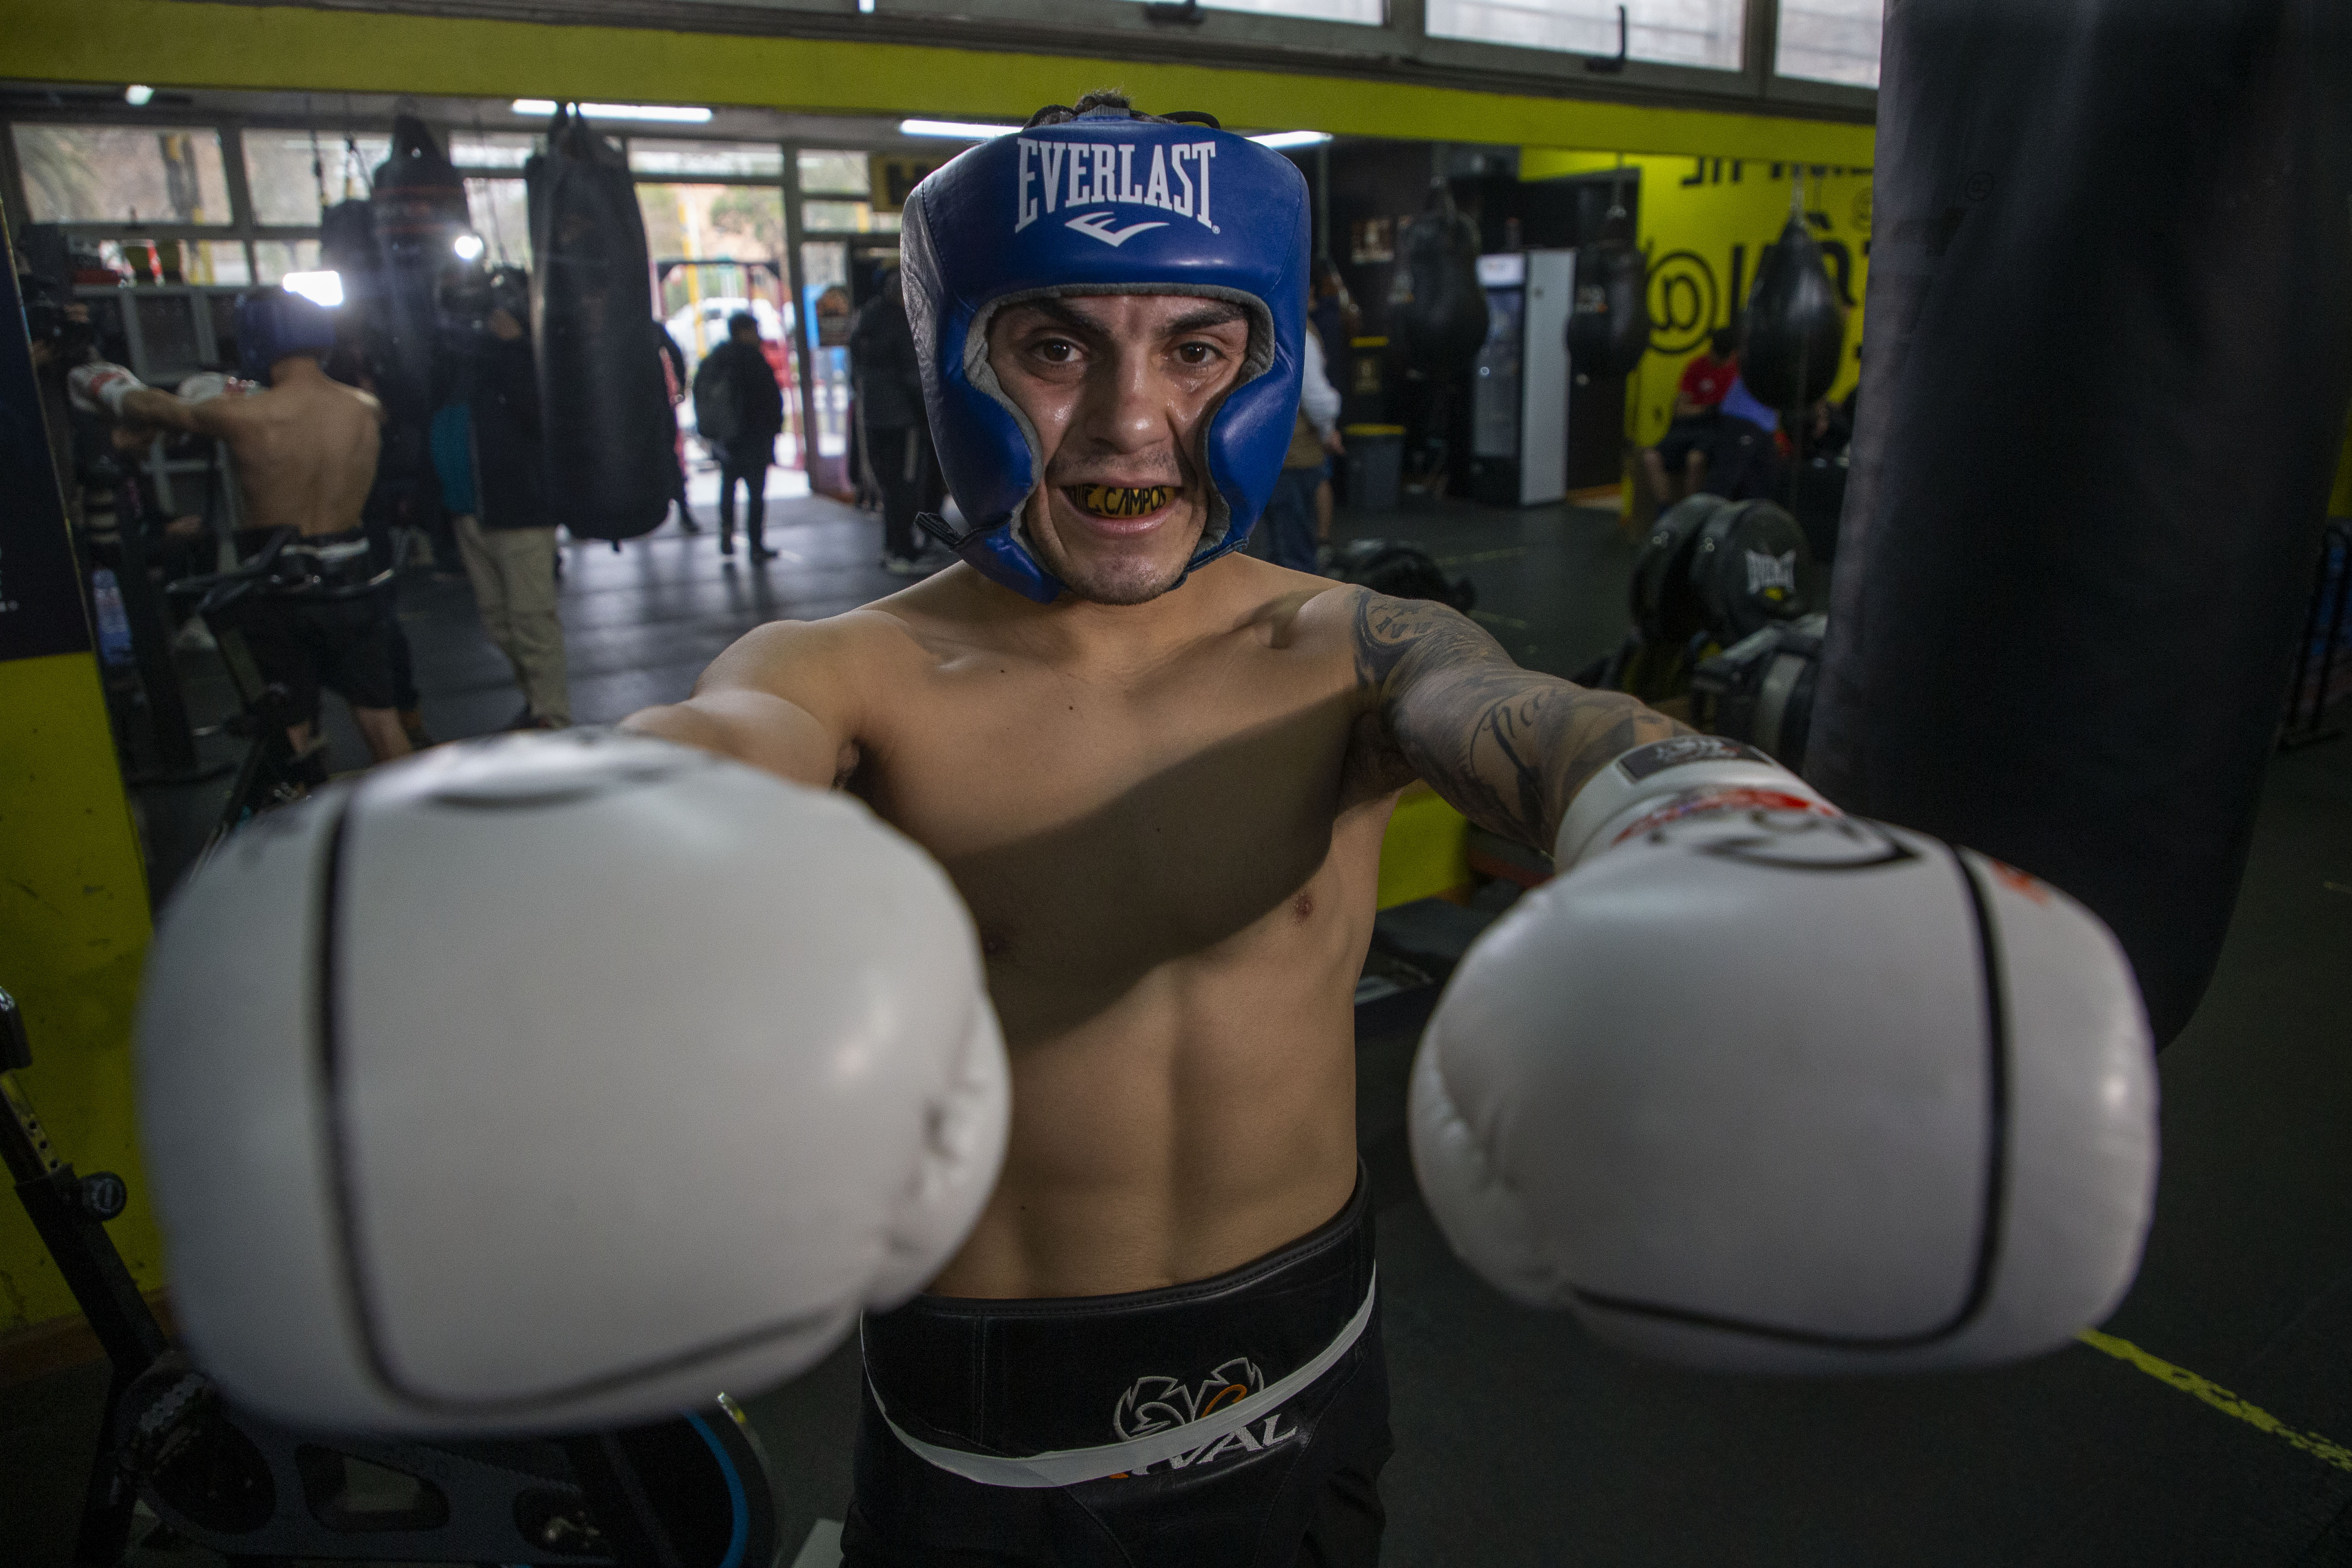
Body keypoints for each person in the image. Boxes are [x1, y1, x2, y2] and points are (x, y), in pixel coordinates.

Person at [619, 94, 1688, 1566]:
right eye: (1056, 347)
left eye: (1195, 348)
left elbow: (1522, 719)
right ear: (955, 361)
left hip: (1309, 1380)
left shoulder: (1348, 647)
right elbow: (715, 757)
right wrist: (559, 846)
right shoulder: (844, 676)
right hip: (990, 1439)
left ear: (1262, 359)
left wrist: (1706, 808)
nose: (1131, 423)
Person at [72, 287, 411, 765]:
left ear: (256, 339)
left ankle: (299, 822)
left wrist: (103, 382)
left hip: (278, 592)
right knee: (380, 719)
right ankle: (425, 827)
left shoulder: (243, 417)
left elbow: (157, 412)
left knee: (292, 725)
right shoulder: (363, 408)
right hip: (353, 584)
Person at [446, 303, 572, 730]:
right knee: (499, 625)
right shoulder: (463, 368)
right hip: (471, 513)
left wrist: (515, 345)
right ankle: (536, 699)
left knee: (532, 621)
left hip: (520, 514)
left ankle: (551, 714)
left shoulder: (524, 360)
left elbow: (539, 412)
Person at [849, 268, 946, 575]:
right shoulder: (901, 324)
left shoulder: (866, 319)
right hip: (902, 419)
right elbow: (912, 377)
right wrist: (928, 415)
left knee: (891, 487)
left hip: (875, 417)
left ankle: (893, 547)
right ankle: (903, 550)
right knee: (905, 487)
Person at [691, 311, 787, 562]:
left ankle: (726, 535)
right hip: (753, 436)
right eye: (754, 330)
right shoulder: (752, 360)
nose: (758, 336)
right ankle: (756, 545)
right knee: (756, 493)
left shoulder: (715, 359)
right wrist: (774, 429)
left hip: (726, 437)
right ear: (744, 331)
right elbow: (769, 399)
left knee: (728, 486)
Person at [1260, 323, 1343, 572]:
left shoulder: (1285, 331)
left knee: (1289, 555)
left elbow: (1314, 397)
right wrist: (1328, 431)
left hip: (1285, 456)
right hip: (1292, 456)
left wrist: (1327, 430)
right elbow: (1317, 398)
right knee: (1291, 556)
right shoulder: (1294, 331)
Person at [1641, 323, 1740, 504]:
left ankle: (1690, 513)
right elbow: (1680, 409)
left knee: (1695, 460)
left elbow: (1731, 415)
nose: (1715, 357)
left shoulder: (1738, 374)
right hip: (1687, 429)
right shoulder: (1697, 366)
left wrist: (1700, 409)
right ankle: (1665, 512)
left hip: (1715, 431)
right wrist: (1708, 409)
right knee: (1650, 457)